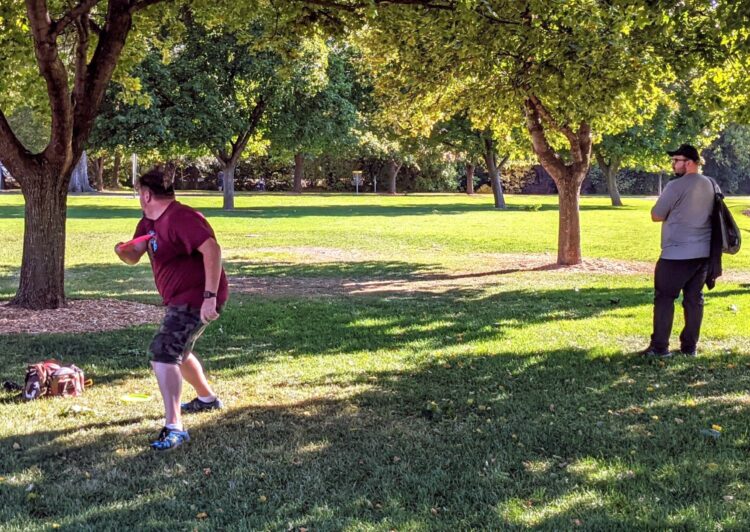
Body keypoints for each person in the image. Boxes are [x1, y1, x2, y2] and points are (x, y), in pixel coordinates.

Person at [115, 169, 229, 450]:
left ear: (146, 194)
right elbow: (136, 254)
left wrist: (209, 297)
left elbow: (212, 250)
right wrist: (123, 252)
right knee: (180, 349)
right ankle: (207, 399)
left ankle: (174, 427)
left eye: (138, 192)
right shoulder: (148, 222)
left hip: (197, 296)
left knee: (164, 350)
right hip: (179, 297)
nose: (138, 197)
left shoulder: (181, 217)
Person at [641, 144, 715, 358]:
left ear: (690, 162)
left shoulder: (676, 186)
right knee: (694, 299)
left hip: (676, 254)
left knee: (664, 298)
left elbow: (656, 215)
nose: (673, 164)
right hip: (703, 254)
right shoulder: (711, 184)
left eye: (677, 160)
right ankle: (689, 348)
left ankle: (660, 347)